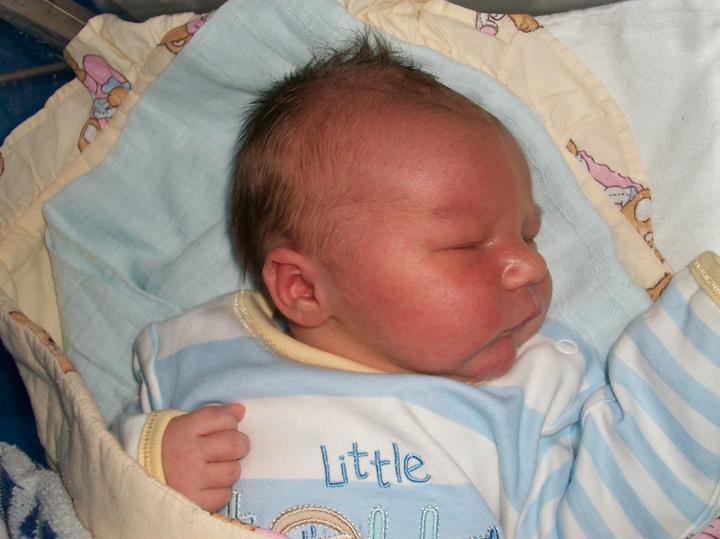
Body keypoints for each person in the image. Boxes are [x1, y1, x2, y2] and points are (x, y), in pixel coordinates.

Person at [117, 35, 720, 537]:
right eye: (466, 245)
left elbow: (608, 512)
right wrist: (151, 463)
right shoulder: (200, 350)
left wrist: (697, 348)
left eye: (529, 235)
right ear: (302, 287)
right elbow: (91, 466)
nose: (529, 266)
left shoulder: (532, 389)